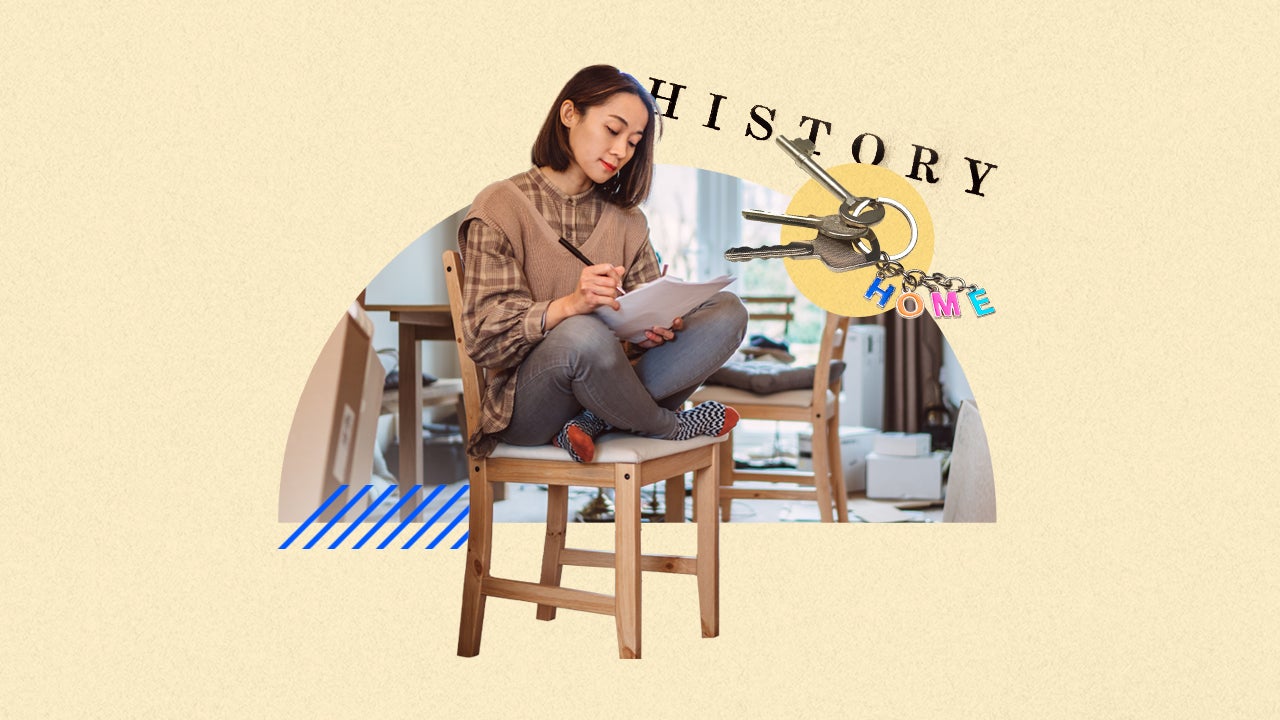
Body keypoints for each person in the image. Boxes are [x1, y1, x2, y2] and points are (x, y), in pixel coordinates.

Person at [457, 64, 748, 462]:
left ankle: (597, 419)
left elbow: (644, 324)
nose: (621, 151)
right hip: (528, 405)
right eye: (613, 130)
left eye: (633, 141)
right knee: (582, 332)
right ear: (569, 114)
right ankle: (668, 427)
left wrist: (653, 328)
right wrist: (570, 305)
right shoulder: (501, 205)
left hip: (614, 385)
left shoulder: (629, 221)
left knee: (728, 312)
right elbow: (485, 340)